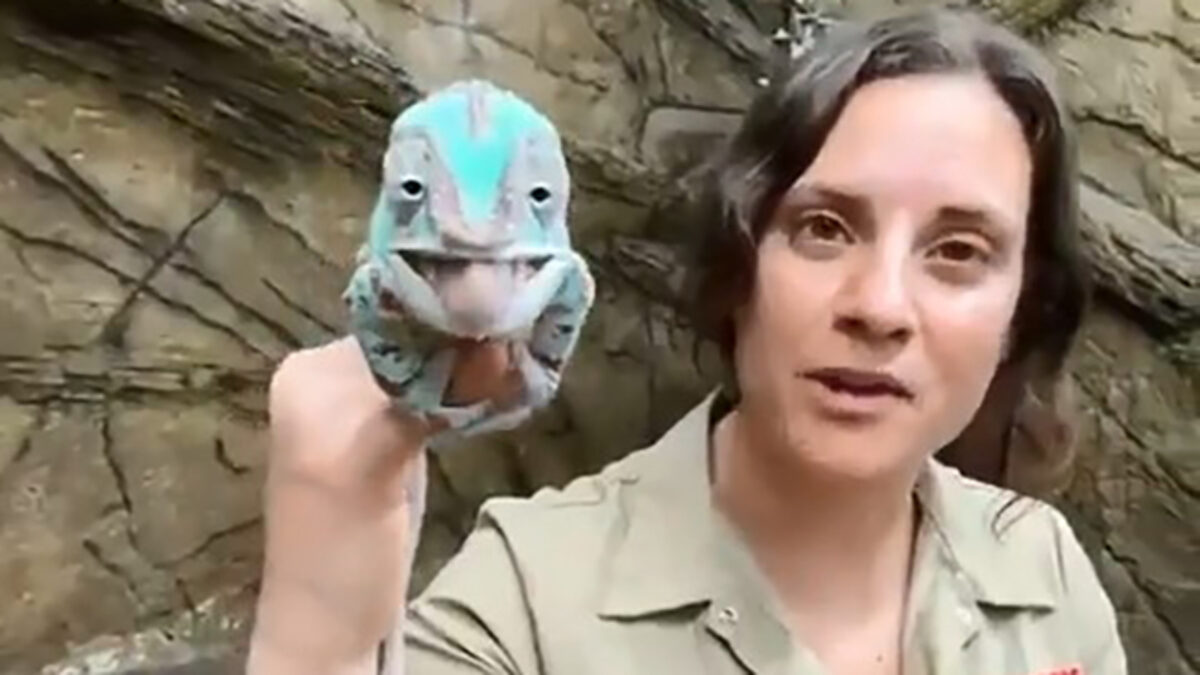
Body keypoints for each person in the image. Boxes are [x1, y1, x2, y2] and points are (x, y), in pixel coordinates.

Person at [246, 7, 1126, 674]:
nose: (880, 305)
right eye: (823, 228)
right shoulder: (528, 606)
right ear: (741, 261)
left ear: (1022, 310)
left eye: (959, 251)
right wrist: (320, 608)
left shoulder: (1041, 570)